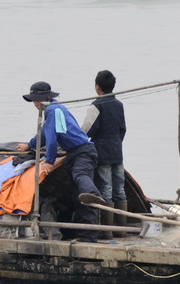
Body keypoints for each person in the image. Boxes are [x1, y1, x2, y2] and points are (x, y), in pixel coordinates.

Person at [16, 81, 105, 243]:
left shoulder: (52, 110)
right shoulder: (56, 109)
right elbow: (43, 135)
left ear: (44, 98)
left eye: (36, 100)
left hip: (83, 151)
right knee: (77, 194)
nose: (35, 104)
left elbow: (51, 138)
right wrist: (29, 145)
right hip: (75, 152)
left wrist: (49, 161)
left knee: (81, 176)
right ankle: (88, 236)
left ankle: (93, 195)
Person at [80, 70, 127, 238]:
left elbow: (86, 130)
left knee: (106, 187)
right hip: (117, 149)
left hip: (102, 150)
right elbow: (122, 129)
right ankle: (121, 230)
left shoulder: (97, 105)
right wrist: (117, 141)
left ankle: (107, 232)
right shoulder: (118, 104)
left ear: (97, 87)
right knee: (119, 188)